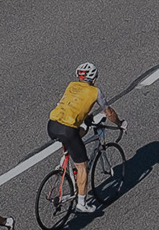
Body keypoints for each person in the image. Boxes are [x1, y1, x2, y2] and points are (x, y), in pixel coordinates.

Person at [48, 63, 125, 214]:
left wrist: (87, 120)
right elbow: (109, 113)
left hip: (52, 125)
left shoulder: (71, 86)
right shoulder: (95, 92)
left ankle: (65, 161)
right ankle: (82, 203)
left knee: (78, 133)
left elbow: (75, 105)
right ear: (94, 79)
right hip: (68, 129)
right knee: (82, 166)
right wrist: (120, 123)